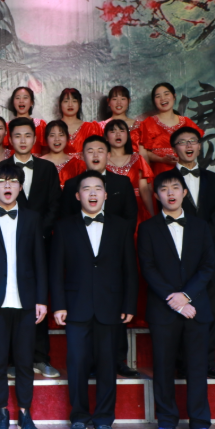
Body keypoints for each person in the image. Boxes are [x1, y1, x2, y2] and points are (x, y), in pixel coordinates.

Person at [51, 171, 137, 429]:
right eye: (86, 189)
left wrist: (129, 303)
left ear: (105, 195)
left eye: (97, 188)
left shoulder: (121, 226)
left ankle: (104, 420)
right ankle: (78, 418)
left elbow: (129, 269)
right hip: (76, 307)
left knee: (108, 366)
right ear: (78, 195)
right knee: (76, 365)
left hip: (110, 306)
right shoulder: (64, 227)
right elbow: (56, 271)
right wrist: (59, 305)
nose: (92, 193)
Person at [138, 171, 215, 429]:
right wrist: (172, 299)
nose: (170, 193)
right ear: (156, 195)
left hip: (196, 308)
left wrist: (185, 296)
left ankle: (201, 424)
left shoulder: (201, 227)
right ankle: (166, 422)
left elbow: (208, 266)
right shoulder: (148, 229)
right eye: (164, 189)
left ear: (185, 192)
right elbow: (148, 268)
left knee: (197, 367)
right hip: (163, 310)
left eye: (175, 187)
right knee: (163, 367)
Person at [0, 163, 48, 429]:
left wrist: (42, 299)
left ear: (20, 186)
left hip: (26, 301)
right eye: (2, 181)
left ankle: (25, 414)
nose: (7, 186)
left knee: (25, 361)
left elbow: (40, 261)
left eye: (13, 181)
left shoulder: (32, 217)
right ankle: (2, 412)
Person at [61, 135, 139, 376]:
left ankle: (118, 360)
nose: (95, 155)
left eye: (100, 150)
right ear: (82, 155)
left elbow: (130, 216)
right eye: (90, 150)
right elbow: (65, 221)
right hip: (82, 266)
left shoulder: (122, 183)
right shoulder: (73, 185)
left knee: (114, 320)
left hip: (113, 258)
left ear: (108, 154)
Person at [0, 117, 62, 378]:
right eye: (17, 135)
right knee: (10, 301)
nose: (22, 140)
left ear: (35, 139)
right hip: (7, 247)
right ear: (10, 139)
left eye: (27, 135)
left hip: (41, 245)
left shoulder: (47, 168)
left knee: (38, 300)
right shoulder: (0, 169)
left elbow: (55, 205)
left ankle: (40, 357)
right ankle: (12, 360)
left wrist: (37, 233)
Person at [170, 126, 215, 380]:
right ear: (174, 149)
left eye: (193, 141)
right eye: (182, 142)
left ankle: (208, 362)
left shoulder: (214, 179)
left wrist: (200, 242)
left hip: (208, 252)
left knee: (209, 308)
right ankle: (181, 363)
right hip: (176, 254)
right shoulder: (166, 180)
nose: (188, 146)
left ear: (200, 145)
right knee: (179, 307)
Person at [139, 82, 203, 176]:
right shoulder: (148, 123)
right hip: (159, 173)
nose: (163, 99)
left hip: (184, 172)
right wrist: (162, 159)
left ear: (174, 96)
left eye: (166, 94)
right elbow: (144, 154)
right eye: (158, 96)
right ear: (154, 101)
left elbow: (195, 146)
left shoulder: (187, 122)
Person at [105, 119, 155, 225]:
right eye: (113, 131)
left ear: (127, 135)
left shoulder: (137, 159)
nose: (118, 134)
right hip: (110, 207)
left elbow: (144, 190)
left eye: (122, 131)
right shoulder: (101, 161)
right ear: (106, 137)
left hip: (136, 208)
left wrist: (152, 215)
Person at [98, 85, 144, 155]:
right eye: (114, 99)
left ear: (129, 101)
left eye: (123, 99)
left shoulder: (140, 126)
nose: (119, 102)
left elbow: (144, 154)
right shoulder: (99, 127)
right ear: (108, 102)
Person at [41, 120, 86, 189]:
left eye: (61, 135)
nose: (57, 139)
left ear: (67, 138)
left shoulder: (78, 165)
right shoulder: (38, 164)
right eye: (52, 135)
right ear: (46, 139)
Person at [57, 88, 99, 156]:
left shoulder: (91, 128)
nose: (70, 105)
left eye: (74, 101)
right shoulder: (53, 128)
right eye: (66, 101)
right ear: (60, 104)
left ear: (79, 104)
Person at [5, 86, 46, 155]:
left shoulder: (41, 125)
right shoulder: (6, 126)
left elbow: (46, 150)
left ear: (31, 102)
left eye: (25, 98)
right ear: (13, 102)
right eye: (17, 98)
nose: (21, 101)